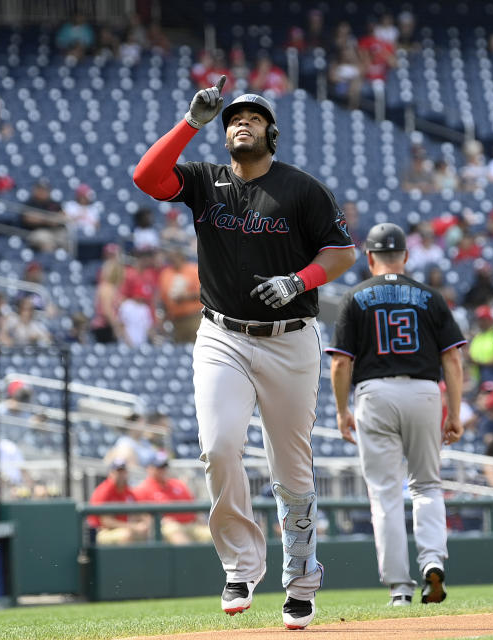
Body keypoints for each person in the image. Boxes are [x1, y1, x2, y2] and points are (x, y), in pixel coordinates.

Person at [133, 78, 356, 629]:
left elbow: (342, 252)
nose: (241, 122)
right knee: (218, 446)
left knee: (290, 466)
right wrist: (190, 123)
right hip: (222, 335)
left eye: (253, 118)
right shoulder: (205, 181)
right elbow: (146, 177)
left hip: (290, 338)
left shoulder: (301, 189)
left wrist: (299, 280)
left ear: (271, 132)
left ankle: (301, 573)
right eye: (234, 117)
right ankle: (240, 564)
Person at [327, 222, 465, 607]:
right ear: (405, 256)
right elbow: (452, 358)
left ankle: (399, 588)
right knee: (426, 484)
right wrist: (453, 412)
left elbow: (340, 364)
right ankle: (433, 561)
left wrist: (342, 411)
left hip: (375, 394)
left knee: (385, 494)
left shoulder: (355, 297)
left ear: (369, 258)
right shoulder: (429, 296)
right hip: (423, 390)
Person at [133, 451, 210, 544]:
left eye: (165, 467)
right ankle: (190, 558)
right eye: (159, 467)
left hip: (190, 525)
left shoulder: (178, 484)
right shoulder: (142, 489)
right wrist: (160, 522)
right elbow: (143, 517)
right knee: (175, 532)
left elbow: (194, 509)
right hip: (165, 528)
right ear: (149, 468)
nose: (163, 470)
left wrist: (203, 523)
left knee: (211, 535)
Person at [88, 458, 150, 544]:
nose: (121, 475)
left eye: (123, 471)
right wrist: (133, 527)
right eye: (118, 471)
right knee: (126, 534)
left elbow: (139, 513)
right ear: (111, 473)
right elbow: (106, 522)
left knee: (150, 532)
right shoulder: (104, 491)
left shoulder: (127, 491)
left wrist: (146, 523)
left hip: (125, 528)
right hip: (102, 532)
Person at [158, 246, 203, 343]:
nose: (173, 260)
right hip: (176, 319)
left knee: (196, 347)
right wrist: (163, 318)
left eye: (175, 257)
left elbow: (203, 293)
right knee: (180, 347)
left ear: (181, 257)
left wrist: (185, 297)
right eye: (171, 258)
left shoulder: (193, 270)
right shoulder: (166, 273)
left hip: (194, 317)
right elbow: (163, 298)